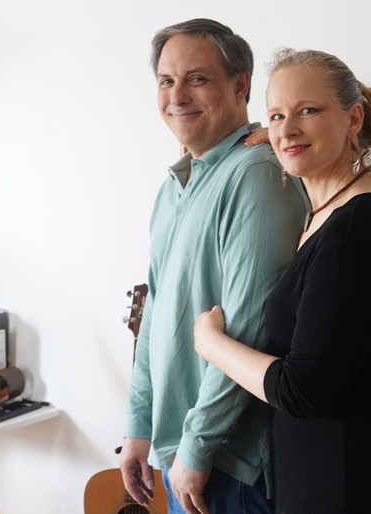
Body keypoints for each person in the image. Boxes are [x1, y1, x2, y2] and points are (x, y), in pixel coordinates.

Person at [194, 48, 371, 513]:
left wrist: (210, 343)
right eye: (276, 115)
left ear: (353, 119)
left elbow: (302, 391)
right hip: (355, 464)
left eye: (309, 110)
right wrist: (292, 136)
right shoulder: (363, 197)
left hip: (354, 482)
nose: (287, 128)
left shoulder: (356, 229)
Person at [119, 19, 308, 514]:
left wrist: (197, 446)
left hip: (225, 465)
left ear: (240, 85)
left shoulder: (257, 174)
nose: (177, 95)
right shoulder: (174, 187)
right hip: (177, 454)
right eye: (166, 80)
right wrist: (140, 426)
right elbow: (155, 314)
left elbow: (250, 326)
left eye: (197, 79)